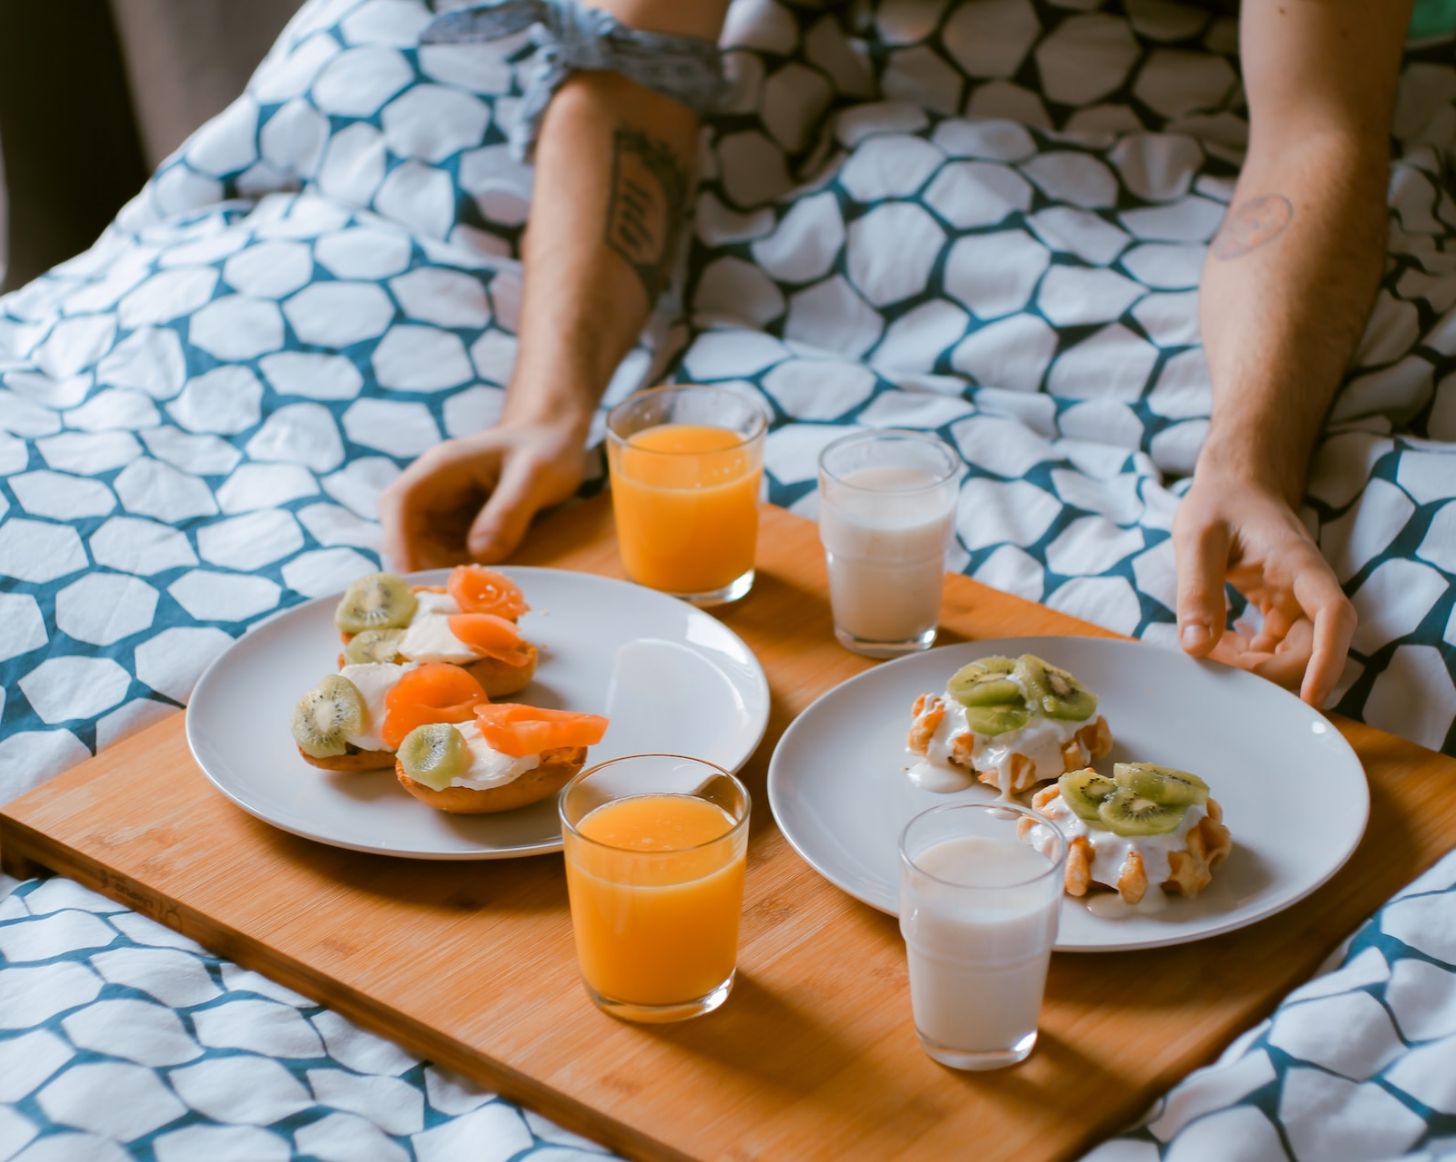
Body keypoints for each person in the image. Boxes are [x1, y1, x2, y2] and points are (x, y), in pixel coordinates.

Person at [379, 0, 1411, 710]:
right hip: (828, 91)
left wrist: (1247, 462)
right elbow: (633, 64)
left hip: (1199, 139)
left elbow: (1314, 127)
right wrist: (548, 408)